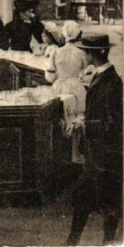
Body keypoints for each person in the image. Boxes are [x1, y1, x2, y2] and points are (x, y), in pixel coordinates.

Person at [65, 34, 122, 245]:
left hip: (105, 155)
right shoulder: (103, 77)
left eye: (86, 51)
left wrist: (86, 124)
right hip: (96, 154)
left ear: (95, 54)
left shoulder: (111, 83)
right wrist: (85, 118)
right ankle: (72, 242)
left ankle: (108, 243)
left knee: (108, 202)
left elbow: (113, 124)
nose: (84, 54)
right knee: (83, 198)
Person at [46, 20, 87, 165]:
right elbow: (86, 73)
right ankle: (76, 155)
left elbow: (50, 76)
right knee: (77, 120)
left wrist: (58, 75)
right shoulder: (81, 52)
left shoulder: (56, 52)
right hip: (76, 88)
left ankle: (59, 156)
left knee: (60, 119)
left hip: (59, 87)